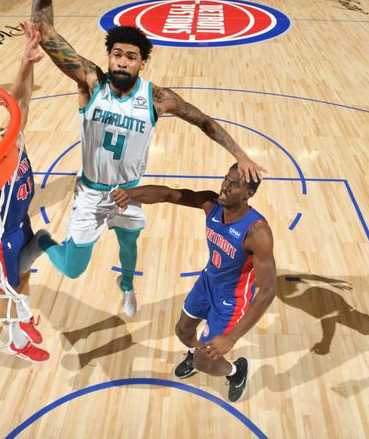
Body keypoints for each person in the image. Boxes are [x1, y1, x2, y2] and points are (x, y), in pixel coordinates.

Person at [29, 0, 265, 318]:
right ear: (109, 56)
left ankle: (126, 285)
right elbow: (44, 31)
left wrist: (240, 152)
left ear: (142, 63)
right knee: (74, 268)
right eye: (117, 54)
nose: (122, 62)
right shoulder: (92, 82)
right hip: (91, 192)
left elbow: (203, 120)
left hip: (130, 190)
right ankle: (45, 240)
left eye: (131, 57)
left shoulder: (157, 99)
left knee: (129, 243)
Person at [111, 164, 276, 402]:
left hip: (232, 299)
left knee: (204, 361)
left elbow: (268, 290)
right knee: (182, 331)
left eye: (235, 184)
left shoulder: (257, 232)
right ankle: (198, 351)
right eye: (225, 180)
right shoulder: (212, 204)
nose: (225, 187)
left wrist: (231, 338)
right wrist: (130, 193)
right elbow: (168, 194)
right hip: (208, 282)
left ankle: (235, 371)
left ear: (249, 193)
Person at [0, 24, 50, 362]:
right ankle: (16, 339)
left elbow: (21, 99)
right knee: (7, 289)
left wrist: (27, 61)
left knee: (24, 275)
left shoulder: (12, 138)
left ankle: (23, 320)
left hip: (20, 226)